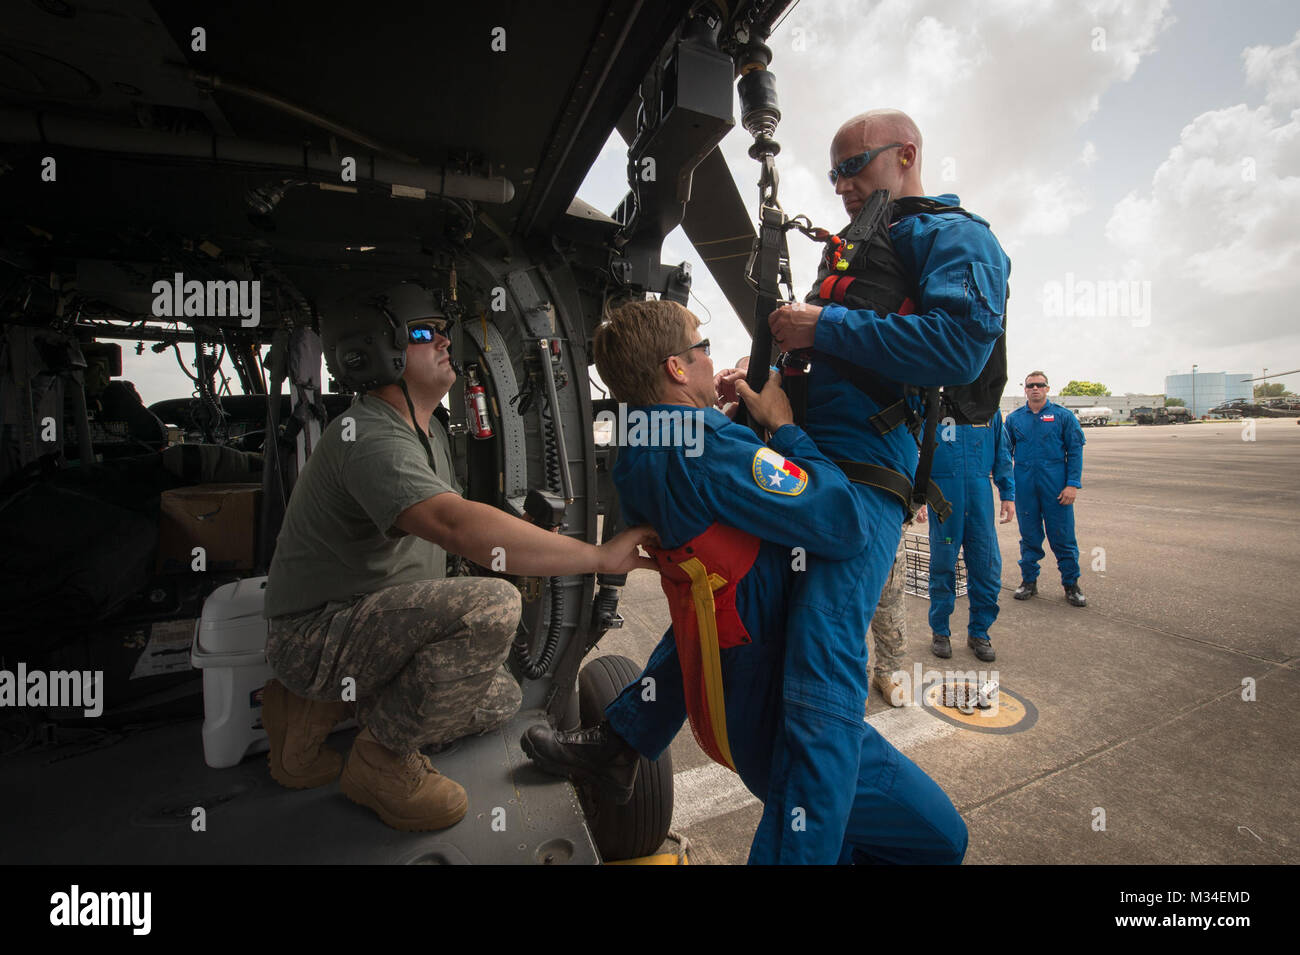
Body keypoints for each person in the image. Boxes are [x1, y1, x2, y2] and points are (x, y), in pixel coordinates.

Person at [522, 299, 968, 864]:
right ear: (677, 369)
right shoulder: (706, 449)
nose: (712, 360)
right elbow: (843, 522)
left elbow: (722, 516)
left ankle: (620, 741)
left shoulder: (645, 448)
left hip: (727, 692)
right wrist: (784, 428)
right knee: (940, 839)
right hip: (777, 709)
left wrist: (733, 425)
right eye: (701, 348)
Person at [261, 282, 653, 832]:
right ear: (375, 351)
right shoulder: (368, 434)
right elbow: (454, 524)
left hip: (368, 624)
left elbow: (455, 530)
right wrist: (597, 556)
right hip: (316, 633)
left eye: (444, 331)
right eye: (425, 333)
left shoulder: (429, 431)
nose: (446, 342)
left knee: (498, 697)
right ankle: (379, 762)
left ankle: (314, 707)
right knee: (489, 606)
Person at [927, 412, 1016, 663]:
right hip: (944, 496)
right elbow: (917, 451)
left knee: (986, 566)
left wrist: (1008, 494)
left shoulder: (988, 410)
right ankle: (940, 631)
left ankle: (979, 632)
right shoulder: (934, 404)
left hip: (980, 495)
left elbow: (1002, 452)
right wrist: (917, 495)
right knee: (943, 564)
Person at [1003, 371, 1086, 607]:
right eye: (1031, 385)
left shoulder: (1063, 417)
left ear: (1047, 389)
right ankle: (1029, 581)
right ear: (1025, 389)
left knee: (1063, 537)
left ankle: (1071, 584)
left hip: (1056, 487)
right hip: (1025, 487)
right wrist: (1006, 483)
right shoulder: (1015, 419)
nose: (1035, 389)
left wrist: (1072, 484)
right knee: (1029, 536)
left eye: (1040, 385)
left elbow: (1076, 451)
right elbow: (1004, 452)